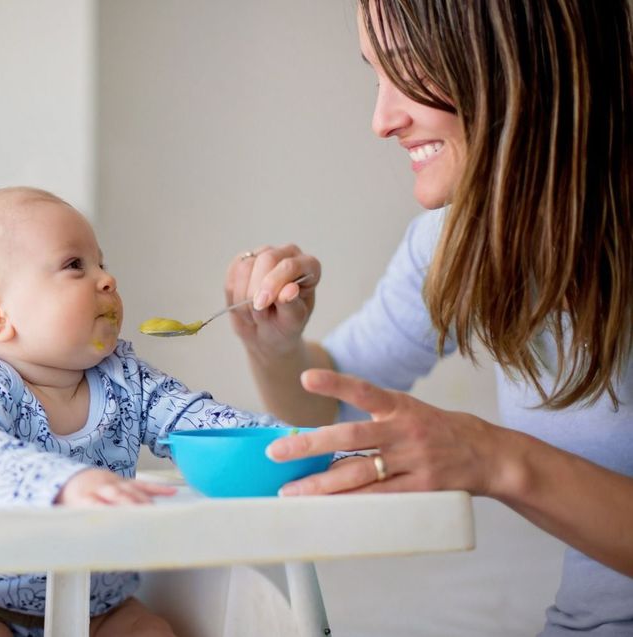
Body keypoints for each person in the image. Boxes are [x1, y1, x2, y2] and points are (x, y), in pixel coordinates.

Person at [222, 1, 633, 634]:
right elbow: (330, 405)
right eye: (376, 73)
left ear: (520, 55)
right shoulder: (454, 242)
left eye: (411, 68)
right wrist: (275, 345)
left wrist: (494, 459)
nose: (382, 120)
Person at [0, 186, 291, 637]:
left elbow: (204, 423)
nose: (107, 279)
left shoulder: (125, 379)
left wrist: (301, 445)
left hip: (101, 609)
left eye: (101, 263)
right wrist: (63, 483)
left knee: (152, 632)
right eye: (75, 265)